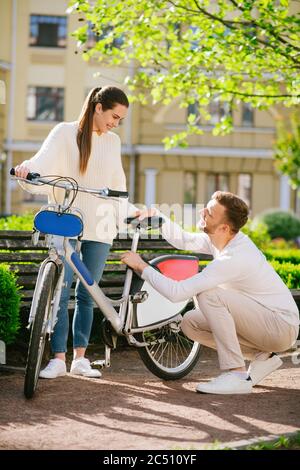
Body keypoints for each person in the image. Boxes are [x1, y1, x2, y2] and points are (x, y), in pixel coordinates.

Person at [121, 191, 299, 395]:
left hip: (281, 326)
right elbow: (185, 241)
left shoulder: (234, 256)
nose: (201, 212)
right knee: (190, 323)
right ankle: (263, 357)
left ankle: (236, 374)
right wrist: (159, 218)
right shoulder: (224, 238)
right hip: (264, 323)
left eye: (209, 213)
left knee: (208, 293)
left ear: (224, 227)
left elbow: (177, 292)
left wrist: (142, 267)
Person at [15, 86, 134, 379]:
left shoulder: (113, 142)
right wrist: (26, 170)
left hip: (101, 224)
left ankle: (80, 357)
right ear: (97, 106)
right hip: (67, 220)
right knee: (60, 289)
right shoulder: (64, 133)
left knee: (87, 293)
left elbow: (118, 184)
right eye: (113, 116)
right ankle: (57, 358)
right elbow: (40, 164)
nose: (115, 124)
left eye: (120, 120)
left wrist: (129, 212)